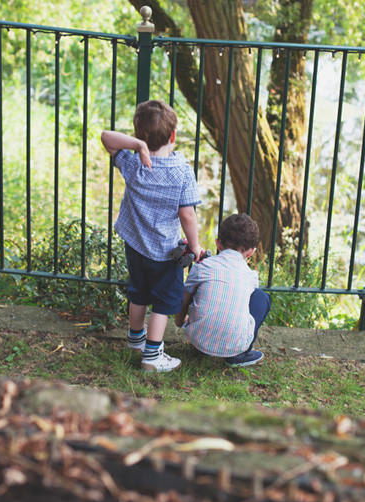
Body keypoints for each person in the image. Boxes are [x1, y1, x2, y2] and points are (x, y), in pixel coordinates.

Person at [101, 99, 203, 373]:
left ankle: (136, 340)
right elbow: (187, 215)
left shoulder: (134, 163)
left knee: (139, 294)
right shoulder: (181, 172)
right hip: (165, 252)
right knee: (162, 303)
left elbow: (106, 138)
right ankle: (152, 356)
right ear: (173, 136)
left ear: (137, 136)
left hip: (135, 246)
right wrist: (195, 246)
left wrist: (138, 147)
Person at [174, 213, 270, 367]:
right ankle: (240, 354)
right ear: (251, 252)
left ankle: (207, 334)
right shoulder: (250, 276)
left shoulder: (203, 267)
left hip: (197, 338)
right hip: (235, 345)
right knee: (261, 298)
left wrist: (180, 322)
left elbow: (184, 297)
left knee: (199, 287)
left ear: (218, 244)